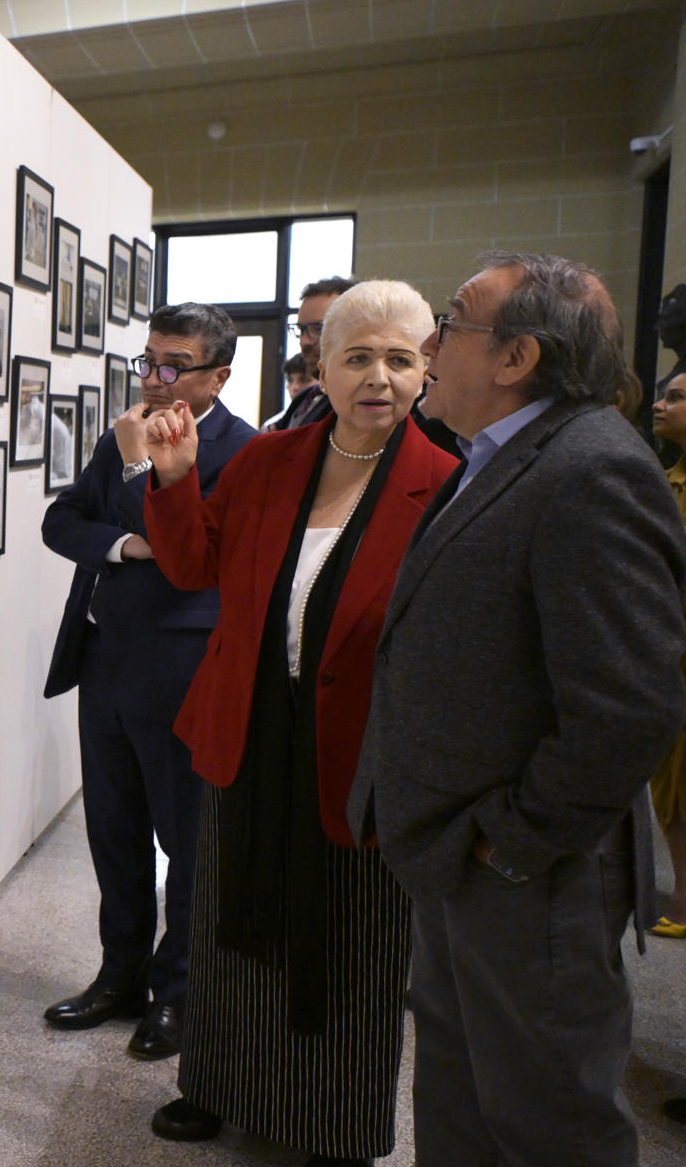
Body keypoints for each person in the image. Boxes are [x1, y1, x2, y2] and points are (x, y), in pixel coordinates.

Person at [349, 251, 686, 1167]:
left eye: (451, 322)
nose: (428, 344)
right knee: (465, 1100)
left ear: (514, 360)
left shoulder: (590, 471)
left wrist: (512, 838)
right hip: (462, 853)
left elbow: (629, 706)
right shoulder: (501, 456)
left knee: (549, 1122)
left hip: (524, 875)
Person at [135, 281, 459, 1165]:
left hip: (360, 754)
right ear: (322, 366)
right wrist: (171, 477)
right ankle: (216, 1083)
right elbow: (195, 564)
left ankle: (332, 1119)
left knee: (349, 940)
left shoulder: (448, 485)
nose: (379, 378)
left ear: (428, 369)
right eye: (358, 357)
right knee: (227, 917)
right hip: (246, 729)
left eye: (400, 358)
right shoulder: (273, 460)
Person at [40, 301, 258, 1059]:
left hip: (183, 666)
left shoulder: (242, 451)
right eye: (148, 361)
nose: (156, 379)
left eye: (175, 366)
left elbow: (196, 550)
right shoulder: (122, 434)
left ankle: (180, 994)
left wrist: (142, 476)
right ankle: (119, 976)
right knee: (115, 833)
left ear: (218, 375)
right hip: (105, 658)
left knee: (188, 839)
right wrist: (126, 543)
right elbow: (61, 522)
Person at [644, 369, 686, 939]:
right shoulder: (665, 479)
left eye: (675, 398)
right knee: (670, 781)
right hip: (669, 655)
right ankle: (682, 891)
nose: (660, 405)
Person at [269, 278, 355, 431]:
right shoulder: (305, 399)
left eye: (318, 328)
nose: (304, 342)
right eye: (301, 330)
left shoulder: (362, 406)